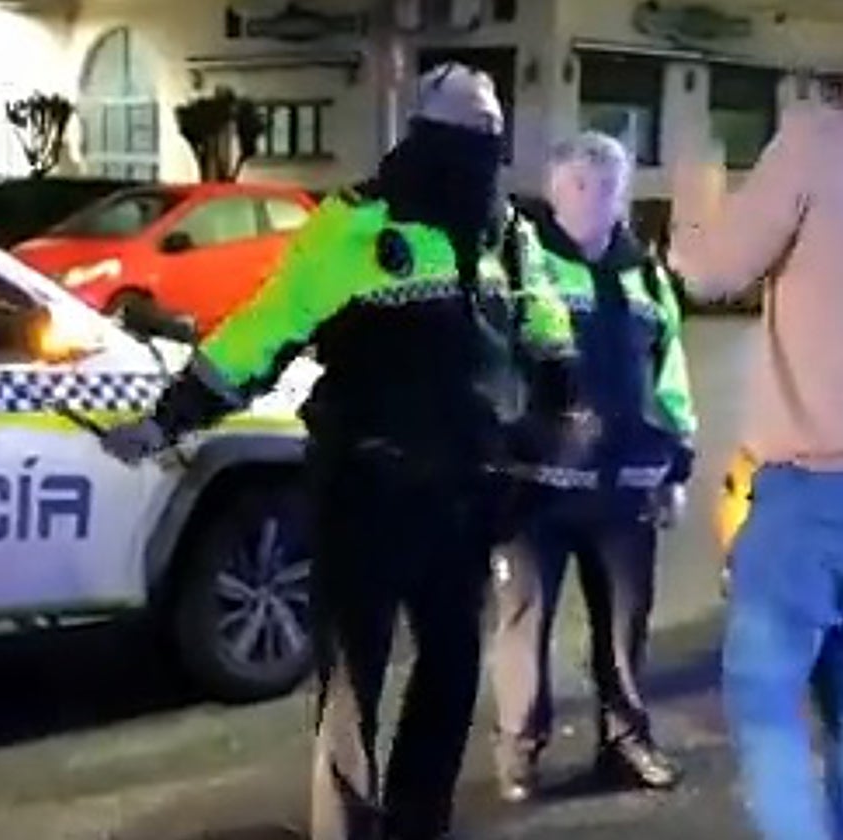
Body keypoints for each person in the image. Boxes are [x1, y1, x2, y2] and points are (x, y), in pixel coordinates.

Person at [101, 64, 577, 840]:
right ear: (423, 133)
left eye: (488, 134)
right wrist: (171, 418)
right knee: (355, 682)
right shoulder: (355, 227)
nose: (477, 151)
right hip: (367, 487)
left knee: (452, 670)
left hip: (465, 493)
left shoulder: (509, 235)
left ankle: (419, 824)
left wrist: (559, 405)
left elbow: (545, 323)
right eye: (463, 132)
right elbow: (265, 330)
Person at [668, 2, 843, 838]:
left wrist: (693, 197)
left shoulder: (814, 145)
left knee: (762, 692)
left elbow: (711, 273)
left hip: (819, 485)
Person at [489, 132, 697, 802]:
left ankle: (626, 742)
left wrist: (677, 465)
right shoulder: (522, 265)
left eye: (609, 185)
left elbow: (670, 375)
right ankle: (520, 749)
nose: (596, 197)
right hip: (536, 489)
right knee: (525, 625)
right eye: (581, 183)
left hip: (626, 489)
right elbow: (493, 364)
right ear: (555, 190)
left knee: (625, 628)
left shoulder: (646, 276)